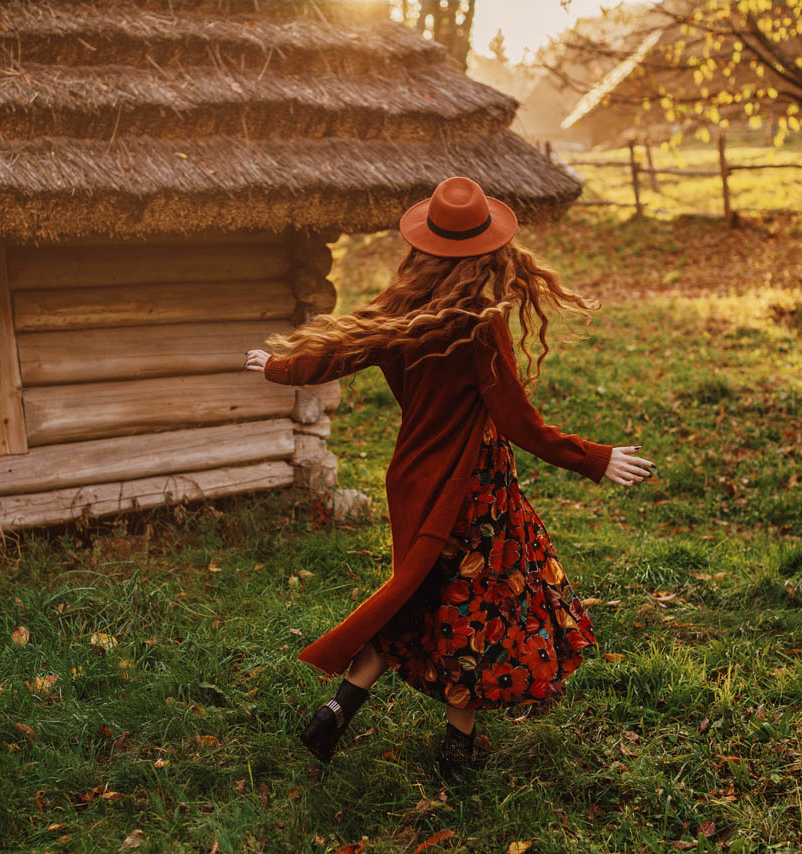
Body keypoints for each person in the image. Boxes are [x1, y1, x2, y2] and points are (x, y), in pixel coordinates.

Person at [243, 176, 654, 777]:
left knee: (419, 594)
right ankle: (457, 753)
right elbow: (517, 422)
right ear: (490, 250)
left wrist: (279, 366)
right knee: (471, 607)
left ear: (423, 246)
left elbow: (339, 354)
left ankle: (338, 707)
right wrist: (593, 456)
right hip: (473, 487)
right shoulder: (477, 326)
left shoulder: (396, 309)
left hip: (412, 477)